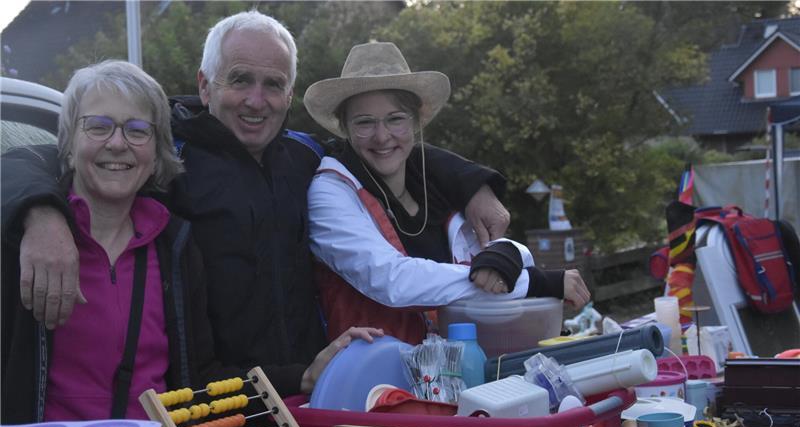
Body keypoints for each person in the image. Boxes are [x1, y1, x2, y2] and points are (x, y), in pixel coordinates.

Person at [1, 12, 509, 393]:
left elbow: (384, 144)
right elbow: (42, 156)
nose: (256, 99)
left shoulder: (305, 155)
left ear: (289, 94)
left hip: (308, 391)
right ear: (205, 85)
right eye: (240, 79)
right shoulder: (160, 153)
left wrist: (475, 183)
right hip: (209, 407)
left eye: (273, 85)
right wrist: (41, 215)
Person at [0, 60, 383, 427]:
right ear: (67, 144)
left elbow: (197, 381)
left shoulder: (174, 249)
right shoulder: (21, 241)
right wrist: (37, 214)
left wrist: (304, 377)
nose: (117, 144)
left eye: (137, 130)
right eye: (98, 127)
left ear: (156, 153)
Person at [304, 42, 591, 344]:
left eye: (396, 118)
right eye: (364, 122)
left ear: (416, 121)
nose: (382, 135)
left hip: (452, 371)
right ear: (344, 128)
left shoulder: (437, 183)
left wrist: (510, 252)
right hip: (373, 377)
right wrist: (534, 281)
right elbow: (392, 280)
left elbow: (488, 260)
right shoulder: (330, 191)